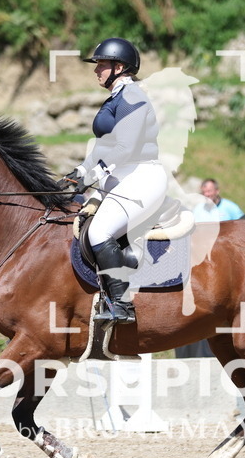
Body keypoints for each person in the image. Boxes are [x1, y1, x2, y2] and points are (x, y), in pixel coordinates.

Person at [59, 38, 167, 324]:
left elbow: (126, 148)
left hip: (142, 176)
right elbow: (103, 146)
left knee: (99, 233)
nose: (96, 70)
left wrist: (93, 175)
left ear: (119, 67)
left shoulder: (133, 96)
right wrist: (80, 172)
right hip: (122, 175)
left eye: (101, 65)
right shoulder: (117, 98)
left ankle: (122, 305)